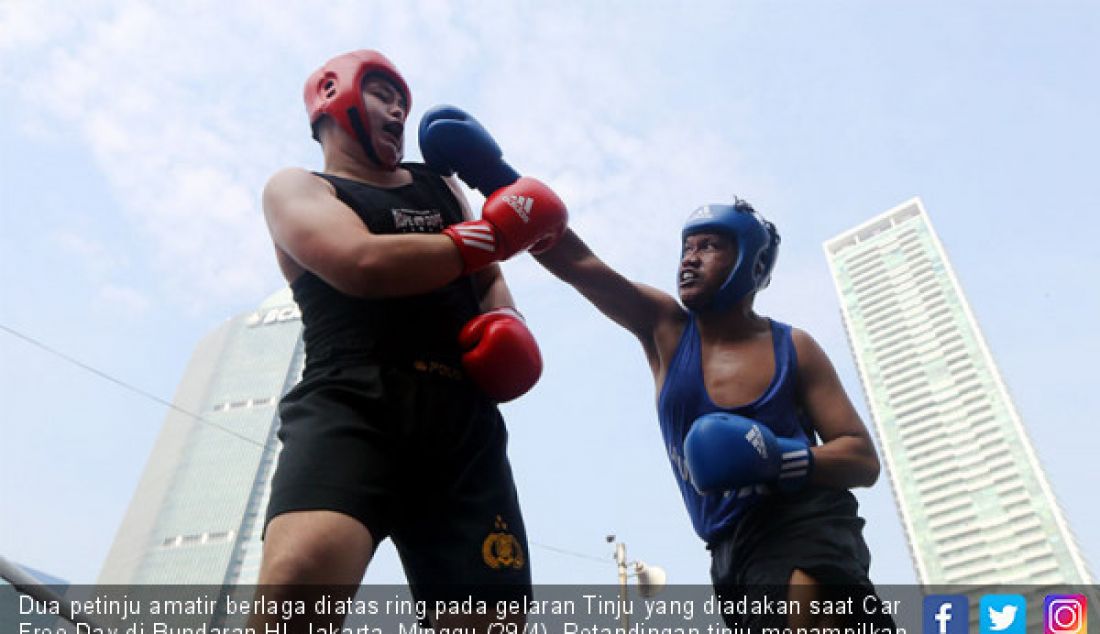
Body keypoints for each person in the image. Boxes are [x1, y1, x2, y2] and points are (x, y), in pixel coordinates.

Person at [252, 50, 567, 633]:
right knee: (300, 579)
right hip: (353, 399)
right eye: (382, 92)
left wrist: (508, 324)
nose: (399, 108)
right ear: (332, 94)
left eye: (404, 100)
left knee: (490, 623)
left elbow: (488, 279)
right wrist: (495, 234)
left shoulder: (439, 185)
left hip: (459, 415)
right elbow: (361, 262)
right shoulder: (298, 188)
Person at [534, 199, 895, 630]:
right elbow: (579, 263)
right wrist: (493, 176)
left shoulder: (793, 347)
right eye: (686, 247)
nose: (689, 259)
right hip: (729, 550)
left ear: (750, 261)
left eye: (708, 247)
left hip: (804, 521)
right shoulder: (665, 328)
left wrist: (780, 458)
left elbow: (862, 459)